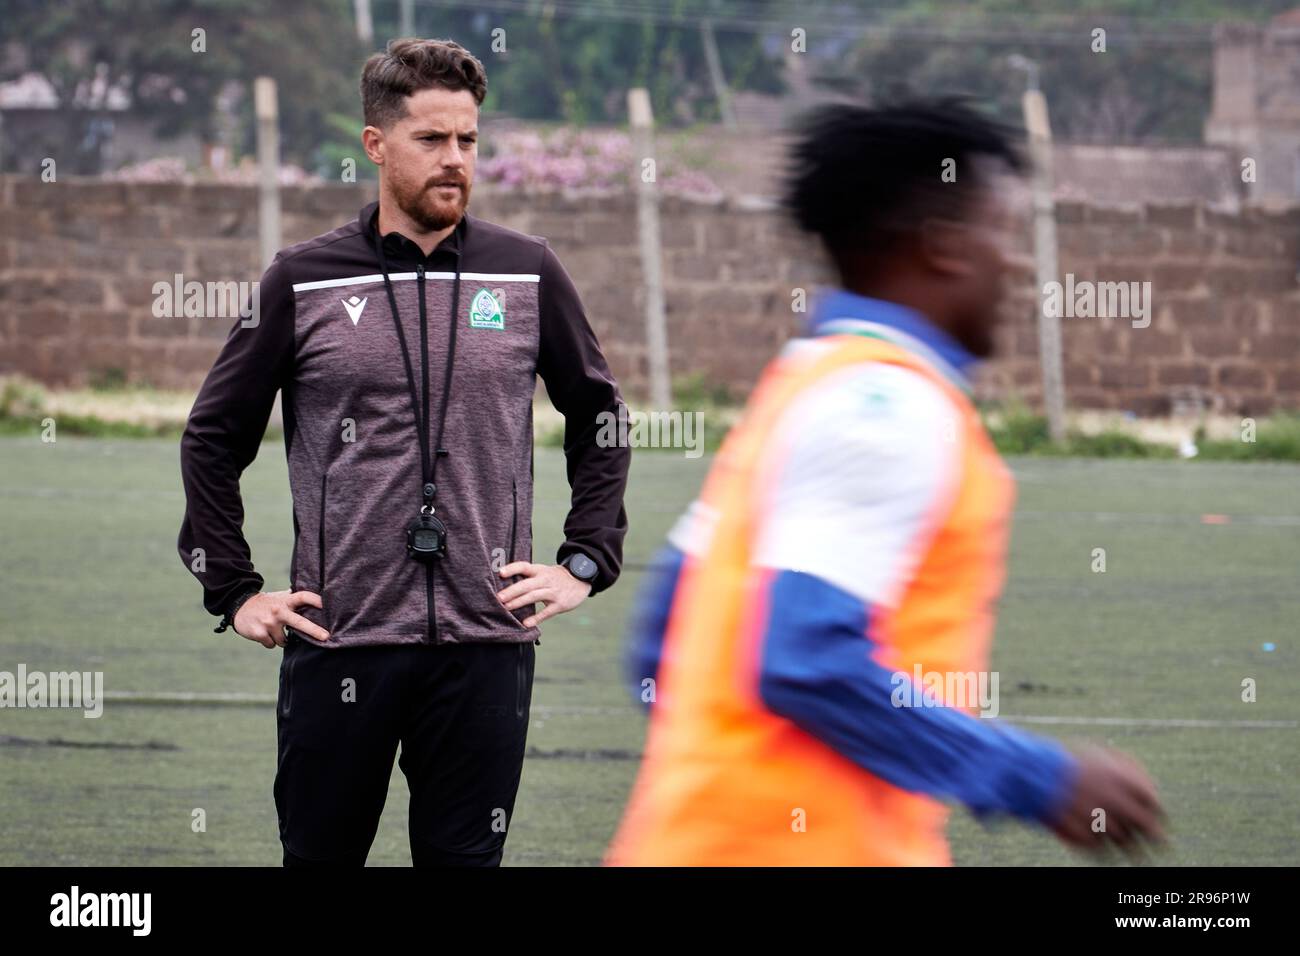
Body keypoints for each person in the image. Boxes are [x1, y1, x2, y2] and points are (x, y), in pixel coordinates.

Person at [606, 99, 1164, 866]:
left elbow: (663, 636)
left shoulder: (802, 386)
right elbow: (804, 660)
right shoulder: (889, 406)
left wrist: (729, 782)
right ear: (944, 248)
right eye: (1005, 230)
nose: (1021, 261)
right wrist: (1041, 780)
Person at [177, 37, 631, 866]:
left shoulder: (526, 272)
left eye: (468, 140)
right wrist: (233, 590)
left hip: (488, 646)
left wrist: (586, 559)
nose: (455, 159)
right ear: (376, 146)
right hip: (338, 643)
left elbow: (600, 413)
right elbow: (212, 436)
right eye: (432, 140)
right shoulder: (302, 280)